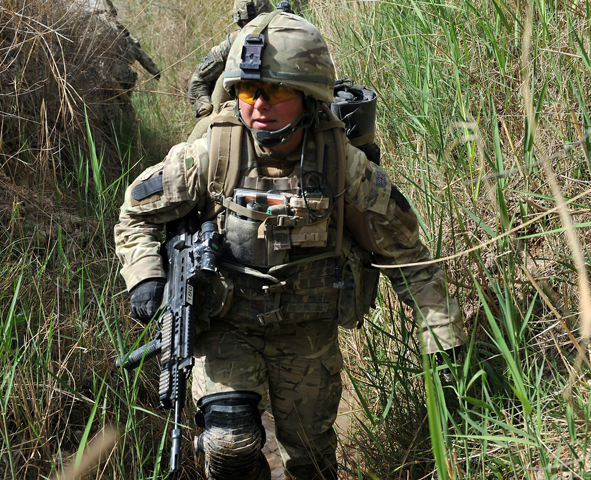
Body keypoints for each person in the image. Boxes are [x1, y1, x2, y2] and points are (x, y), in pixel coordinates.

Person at [114, 8, 465, 480]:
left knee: (312, 460)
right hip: (226, 327)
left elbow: (408, 256)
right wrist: (145, 276)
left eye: (274, 91)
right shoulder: (209, 155)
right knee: (228, 445)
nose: (257, 104)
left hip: (308, 333)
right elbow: (136, 214)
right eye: (245, 90)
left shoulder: (344, 164)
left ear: (307, 96)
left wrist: (442, 339)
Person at [187, 0, 274, 120]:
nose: (253, 27)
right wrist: (204, 105)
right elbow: (199, 79)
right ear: (239, 22)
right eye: (247, 23)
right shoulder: (232, 44)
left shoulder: (288, 40)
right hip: (237, 111)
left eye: (258, 22)